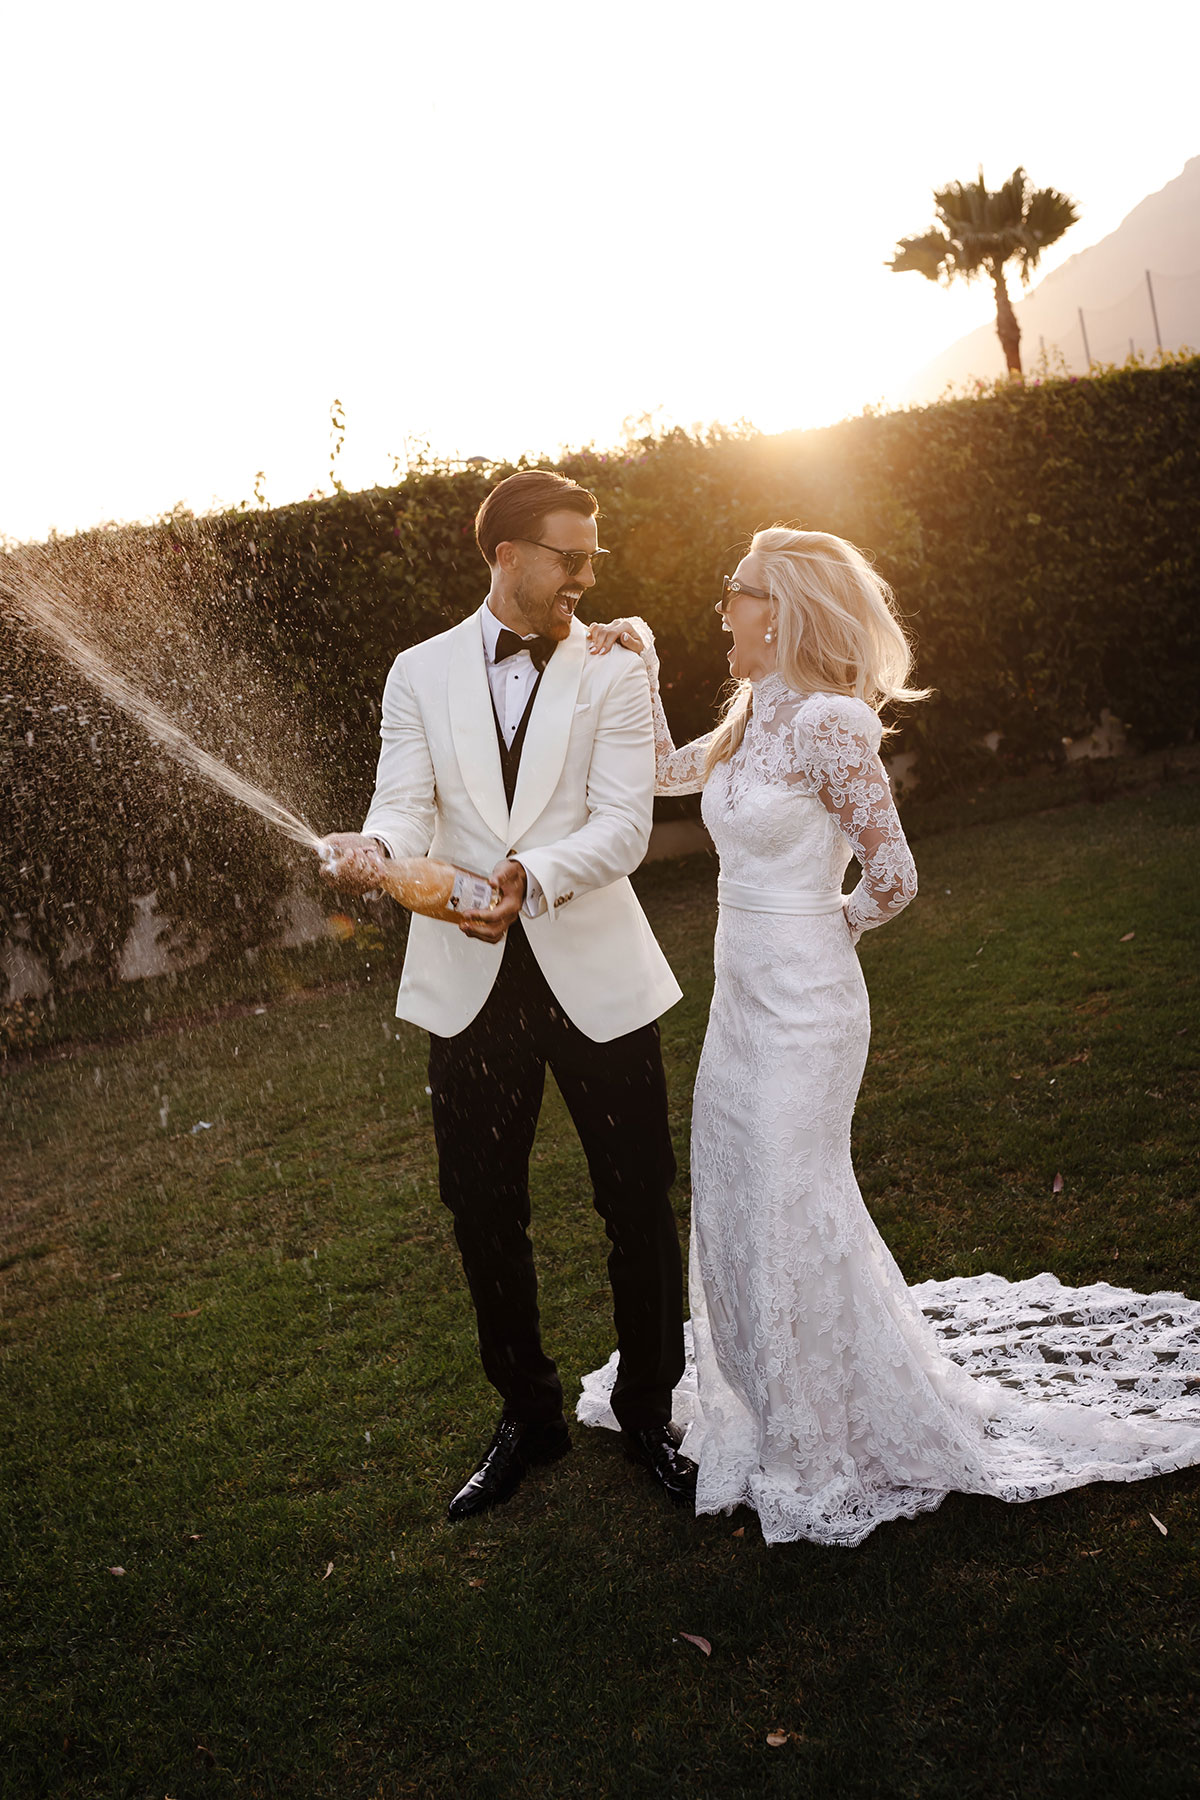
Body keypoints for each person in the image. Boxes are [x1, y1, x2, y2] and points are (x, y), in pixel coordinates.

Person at [580, 525, 1200, 1547]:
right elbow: (659, 773)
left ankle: (831, 1436)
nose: (721, 613)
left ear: (774, 610)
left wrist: (829, 928)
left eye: (733, 595)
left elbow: (896, 876)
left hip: (809, 1007)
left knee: (787, 1195)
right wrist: (640, 659)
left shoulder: (827, 723)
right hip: (738, 1008)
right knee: (738, 1198)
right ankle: (778, 1411)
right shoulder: (751, 717)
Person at [323, 469, 697, 1520]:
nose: (587, 575)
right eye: (570, 557)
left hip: (596, 975)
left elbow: (624, 824)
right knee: (482, 1208)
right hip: (466, 984)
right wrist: (375, 851)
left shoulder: (614, 668)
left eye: (592, 558)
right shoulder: (417, 672)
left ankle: (648, 1409)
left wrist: (532, 879)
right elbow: (402, 804)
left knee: (636, 1201)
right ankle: (527, 1417)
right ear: (508, 558)